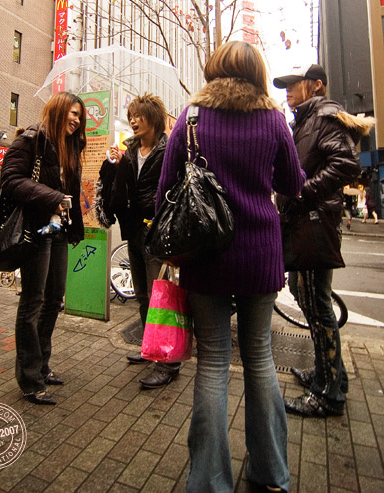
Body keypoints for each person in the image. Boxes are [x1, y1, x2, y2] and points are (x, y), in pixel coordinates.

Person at [156, 41, 305, 493]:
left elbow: (165, 189)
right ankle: (271, 473)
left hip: (207, 256)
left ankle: (208, 481)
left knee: (214, 363)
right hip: (261, 255)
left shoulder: (193, 117)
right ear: (257, 72)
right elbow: (293, 184)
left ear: (215, 67)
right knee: (259, 358)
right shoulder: (273, 119)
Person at [273, 63, 374, 418]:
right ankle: (331, 375)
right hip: (303, 223)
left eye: (293, 84)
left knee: (316, 305)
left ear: (316, 85)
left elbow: (346, 164)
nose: (287, 90)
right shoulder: (306, 119)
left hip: (314, 223)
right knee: (305, 295)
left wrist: (302, 192)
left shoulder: (326, 115)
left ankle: (329, 394)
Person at [1, 91, 86, 405]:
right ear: (57, 110)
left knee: (53, 299)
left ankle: (43, 365)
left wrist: (75, 226)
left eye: (79, 115)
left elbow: (72, 194)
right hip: (35, 230)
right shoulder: (31, 140)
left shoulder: (72, 147)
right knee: (33, 302)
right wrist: (52, 197)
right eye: (71, 113)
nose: (76, 119)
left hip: (59, 230)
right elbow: (9, 179)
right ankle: (29, 378)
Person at [96, 93, 179, 389]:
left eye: (137, 115)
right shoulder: (130, 150)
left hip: (158, 230)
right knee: (142, 294)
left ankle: (168, 361)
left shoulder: (170, 149)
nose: (132, 120)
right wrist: (115, 165)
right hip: (134, 229)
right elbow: (122, 188)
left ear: (153, 118)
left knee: (162, 296)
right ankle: (150, 347)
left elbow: (174, 189)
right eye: (130, 115)